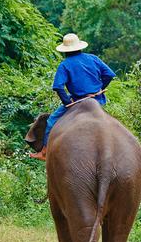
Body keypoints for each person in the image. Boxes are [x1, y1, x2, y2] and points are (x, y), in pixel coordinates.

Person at [30, 33, 116, 161]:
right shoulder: (93, 58)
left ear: (65, 51)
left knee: (51, 120)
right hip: (98, 100)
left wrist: (67, 101)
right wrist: (100, 89)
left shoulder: (65, 65)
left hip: (77, 101)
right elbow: (110, 74)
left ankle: (44, 152)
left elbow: (58, 86)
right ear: (80, 47)